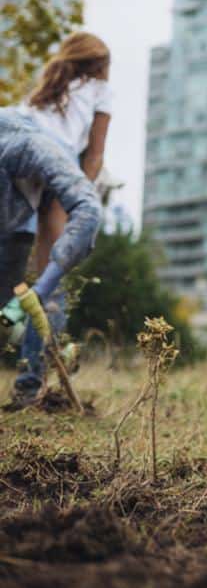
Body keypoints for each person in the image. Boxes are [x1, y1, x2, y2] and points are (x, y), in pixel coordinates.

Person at [0, 109, 102, 404]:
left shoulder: (33, 150)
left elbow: (89, 211)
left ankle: (32, 388)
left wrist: (42, 288)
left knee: (35, 300)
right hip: (18, 209)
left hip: (29, 208)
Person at [22, 32, 112, 285]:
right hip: (58, 155)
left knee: (14, 248)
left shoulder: (47, 85)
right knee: (51, 263)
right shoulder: (101, 90)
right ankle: (41, 316)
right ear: (101, 66)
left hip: (20, 145)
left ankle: (13, 311)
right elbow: (95, 155)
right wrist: (80, 195)